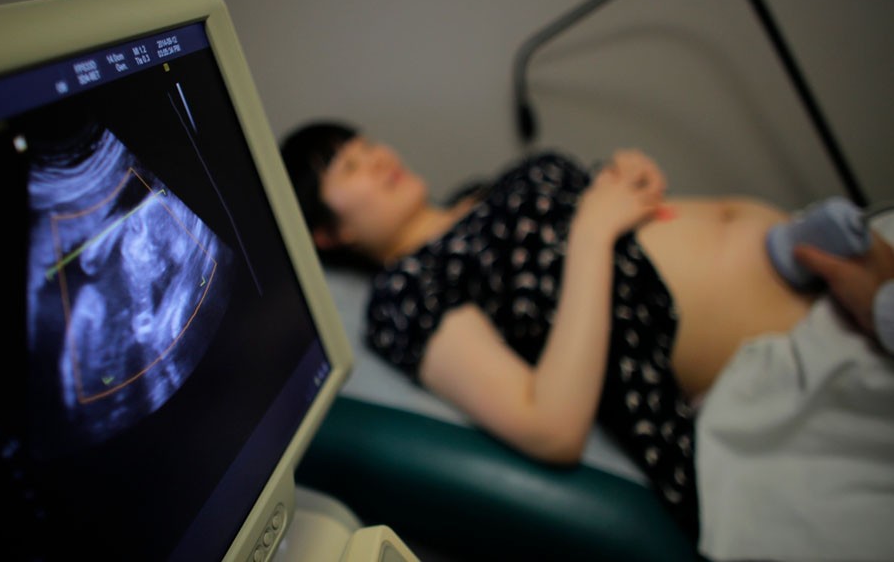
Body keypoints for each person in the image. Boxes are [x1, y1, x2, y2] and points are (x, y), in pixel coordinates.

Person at [279, 120, 893, 544]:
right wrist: (594, 232)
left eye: (366, 143)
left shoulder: (480, 194)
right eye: (349, 167)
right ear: (328, 235)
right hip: (813, 346)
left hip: (839, 276)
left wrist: (623, 176)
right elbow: (551, 426)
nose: (377, 156)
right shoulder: (408, 292)